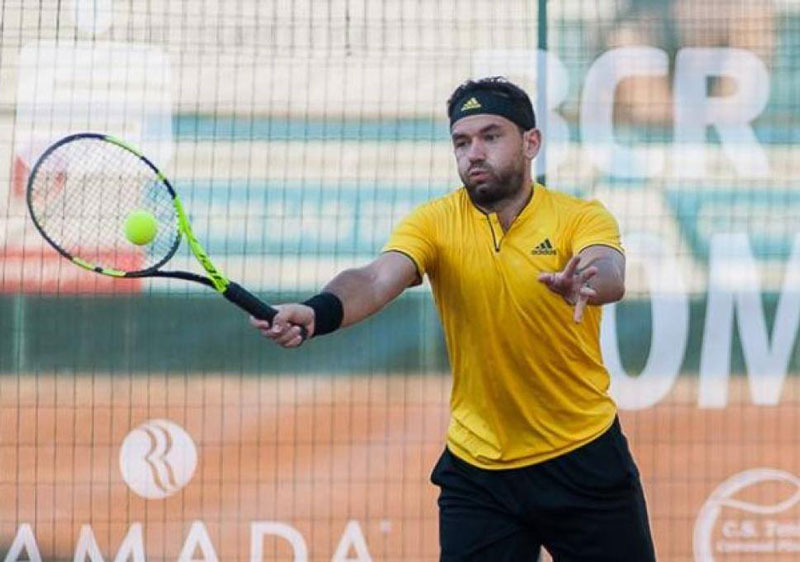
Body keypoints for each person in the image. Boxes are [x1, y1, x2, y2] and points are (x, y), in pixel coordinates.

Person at [251, 76, 657, 562]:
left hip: (583, 457)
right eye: (462, 142)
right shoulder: (435, 222)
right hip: (479, 471)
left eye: (491, 136)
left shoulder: (579, 216)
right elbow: (375, 279)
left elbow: (609, 271)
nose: (474, 153)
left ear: (531, 143)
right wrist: (319, 311)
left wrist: (585, 283)